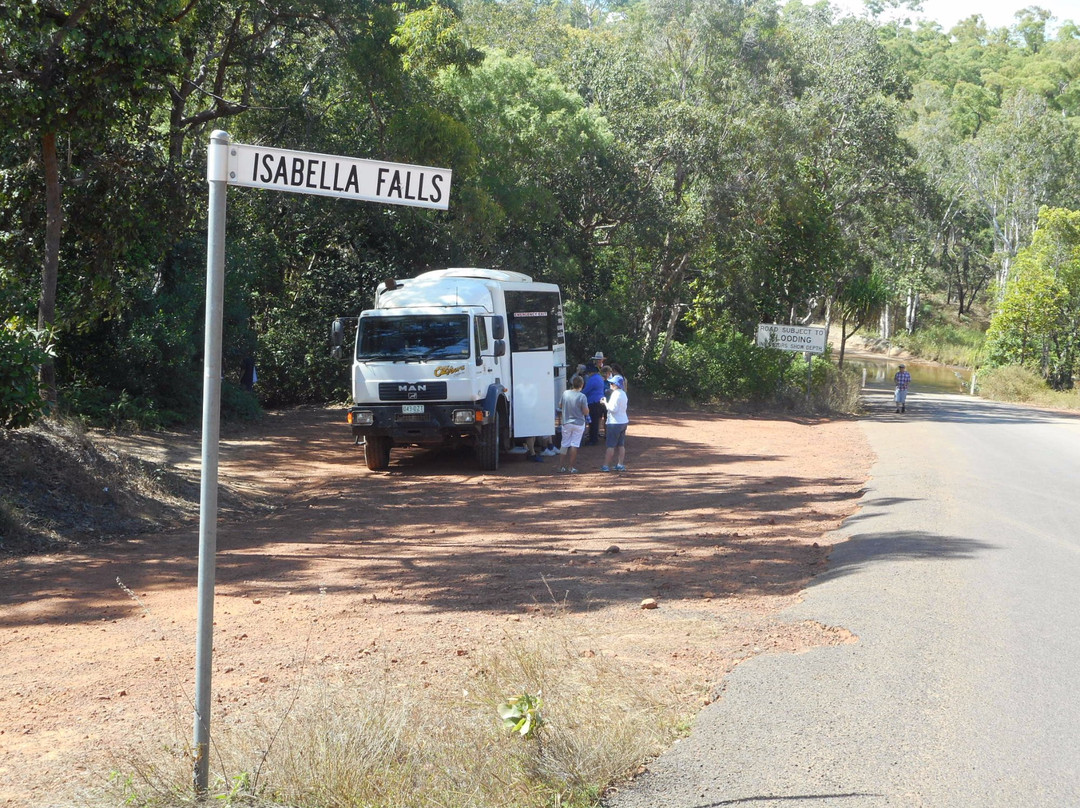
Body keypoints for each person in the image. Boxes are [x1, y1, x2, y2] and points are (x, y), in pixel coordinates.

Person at [558, 375, 589, 473]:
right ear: (582, 385)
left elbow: (560, 405)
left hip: (566, 422)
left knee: (564, 444)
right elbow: (585, 411)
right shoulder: (582, 396)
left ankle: (560, 466)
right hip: (579, 423)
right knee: (574, 444)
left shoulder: (565, 393)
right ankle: (571, 467)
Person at [601, 374, 629, 472]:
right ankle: (620, 464)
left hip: (614, 422)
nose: (610, 384)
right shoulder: (623, 393)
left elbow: (612, 409)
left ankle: (606, 465)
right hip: (623, 421)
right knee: (621, 444)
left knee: (611, 445)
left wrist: (605, 403)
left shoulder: (615, 394)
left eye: (612, 383)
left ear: (616, 385)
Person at [582, 363, 606, 445]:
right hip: (599, 402)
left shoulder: (592, 379)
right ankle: (593, 438)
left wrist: (577, 393)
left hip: (594, 402)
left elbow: (586, 390)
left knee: (593, 422)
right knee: (595, 421)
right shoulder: (599, 378)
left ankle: (593, 439)